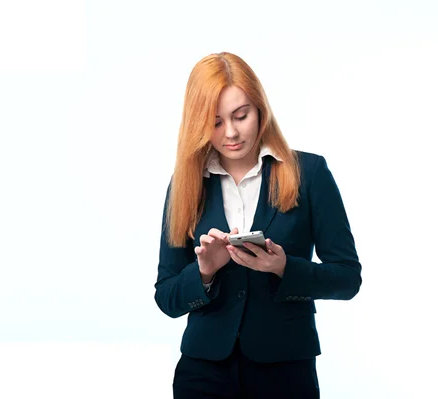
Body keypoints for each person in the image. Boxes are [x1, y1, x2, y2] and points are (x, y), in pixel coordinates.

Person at [154, 52, 362, 399]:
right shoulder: (186, 183)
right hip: (203, 374)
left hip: (285, 371)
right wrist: (204, 272)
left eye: (241, 116)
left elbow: (347, 278)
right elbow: (167, 296)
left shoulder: (309, 174)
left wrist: (283, 267)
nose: (231, 133)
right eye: (216, 122)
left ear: (260, 110)